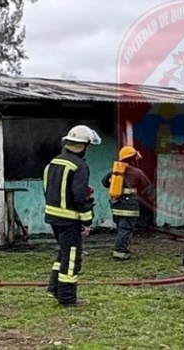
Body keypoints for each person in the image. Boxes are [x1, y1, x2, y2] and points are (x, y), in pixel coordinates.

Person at [44, 125, 101, 307]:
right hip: (70, 219)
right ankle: (67, 297)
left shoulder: (53, 163)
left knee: (63, 252)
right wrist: (87, 220)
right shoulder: (79, 166)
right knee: (72, 258)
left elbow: (48, 189)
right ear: (84, 145)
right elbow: (79, 196)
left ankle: (55, 288)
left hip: (53, 216)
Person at [101, 145, 156, 260]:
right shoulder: (137, 172)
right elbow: (147, 189)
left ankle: (121, 247)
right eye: (135, 158)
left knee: (121, 228)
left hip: (116, 205)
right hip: (129, 207)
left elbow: (104, 182)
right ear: (132, 158)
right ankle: (120, 252)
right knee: (126, 230)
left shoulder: (114, 171)